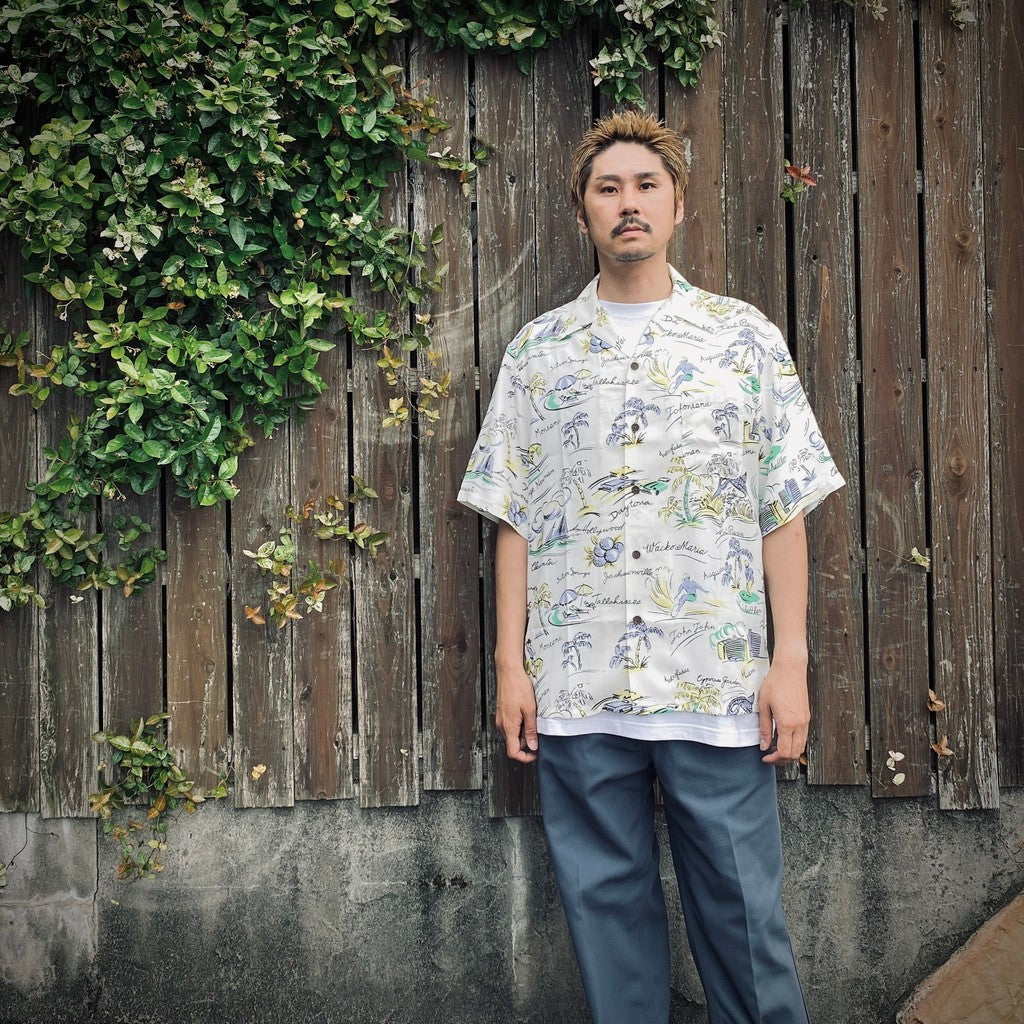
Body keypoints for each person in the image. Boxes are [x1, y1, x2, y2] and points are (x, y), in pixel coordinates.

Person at [457, 110, 844, 1024]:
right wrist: (512, 667)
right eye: (608, 188)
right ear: (583, 212)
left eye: (645, 186)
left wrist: (789, 663)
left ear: (678, 205)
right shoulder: (539, 353)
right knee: (605, 916)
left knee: (746, 917)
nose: (627, 203)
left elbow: (782, 508)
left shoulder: (743, 340)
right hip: (579, 683)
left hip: (717, 683)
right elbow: (514, 517)